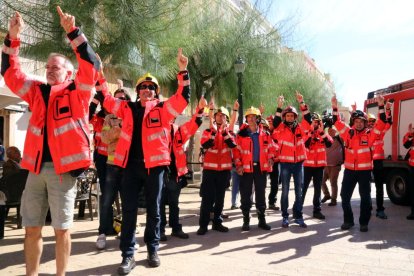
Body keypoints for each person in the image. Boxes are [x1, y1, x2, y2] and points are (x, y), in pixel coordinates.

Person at [1, 7, 100, 275]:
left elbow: (92, 66)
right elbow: (10, 73)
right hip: (33, 171)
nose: (48, 71)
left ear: (68, 73)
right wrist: (13, 37)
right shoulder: (36, 92)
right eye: (47, 68)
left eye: (54, 67)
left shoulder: (78, 93)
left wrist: (73, 32)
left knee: (61, 229)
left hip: (62, 173)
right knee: (31, 228)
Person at [100, 49, 189, 275]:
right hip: (130, 168)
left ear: (156, 92)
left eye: (151, 87)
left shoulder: (163, 109)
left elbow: (183, 98)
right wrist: (99, 74)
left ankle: (152, 249)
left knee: (155, 211)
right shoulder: (126, 107)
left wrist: (182, 70)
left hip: (155, 168)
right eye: (143, 87)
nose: (147, 90)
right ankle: (128, 255)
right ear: (137, 91)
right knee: (129, 211)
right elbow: (106, 99)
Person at [331, 94, 386, 232]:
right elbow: (336, 122)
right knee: (344, 197)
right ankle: (348, 221)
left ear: (365, 122)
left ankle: (363, 223)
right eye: (356, 121)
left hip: (364, 172)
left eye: (361, 121)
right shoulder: (347, 133)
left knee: (365, 199)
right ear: (353, 122)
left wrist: (381, 105)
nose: (359, 123)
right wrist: (334, 106)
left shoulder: (370, 134)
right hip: (349, 171)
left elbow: (382, 123)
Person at [160, 96, 207, 241]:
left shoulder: (177, 131)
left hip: (174, 174)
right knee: (159, 203)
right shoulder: (155, 129)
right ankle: (159, 230)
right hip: (158, 173)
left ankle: (175, 228)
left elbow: (192, 125)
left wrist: (200, 109)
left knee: (174, 203)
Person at [95, 82, 131, 250]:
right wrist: (117, 130)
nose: (119, 102)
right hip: (111, 165)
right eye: (116, 99)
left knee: (127, 201)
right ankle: (102, 233)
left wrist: (120, 130)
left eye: (122, 99)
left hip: (128, 165)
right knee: (107, 200)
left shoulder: (132, 115)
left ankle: (126, 233)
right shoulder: (108, 118)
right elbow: (104, 138)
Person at [233, 107, 276, 231]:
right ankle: (246, 221)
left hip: (260, 169)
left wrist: (271, 158)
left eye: (253, 117)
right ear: (246, 119)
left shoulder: (265, 134)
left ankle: (261, 220)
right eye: (248, 117)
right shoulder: (241, 135)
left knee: (261, 195)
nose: (251, 119)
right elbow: (236, 153)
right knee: (245, 195)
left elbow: (272, 148)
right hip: (245, 170)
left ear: (258, 119)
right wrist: (239, 165)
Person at [197, 103, 237, 235]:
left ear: (227, 118)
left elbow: (232, 145)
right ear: (214, 117)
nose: (220, 118)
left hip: (224, 171)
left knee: (220, 198)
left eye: (223, 116)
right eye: (218, 115)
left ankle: (217, 223)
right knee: (207, 199)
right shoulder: (207, 132)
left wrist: (224, 132)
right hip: (210, 170)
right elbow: (206, 145)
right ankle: (203, 225)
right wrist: (214, 132)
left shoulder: (230, 132)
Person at [273, 92, 311, 228]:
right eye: (287, 115)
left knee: (299, 191)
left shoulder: (301, 127)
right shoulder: (280, 128)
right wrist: (279, 107)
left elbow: (308, 119)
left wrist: (301, 102)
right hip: (285, 165)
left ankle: (299, 216)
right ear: (285, 117)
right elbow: (275, 123)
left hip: (298, 164)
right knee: (284, 191)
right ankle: (285, 217)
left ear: (295, 117)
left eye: (292, 115)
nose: (289, 117)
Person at [301, 112, 333, 220]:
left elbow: (329, 143)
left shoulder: (323, 134)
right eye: (313, 122)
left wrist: (321, 132)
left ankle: (317, 210)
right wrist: (310, 132)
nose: (315, 124)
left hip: (319, 167)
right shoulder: (306, 133)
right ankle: (298, 210)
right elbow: (305, 144)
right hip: (307, 166)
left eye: (317, 122)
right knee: (303, 188)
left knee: (318, 189)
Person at [368, 108, 392, 219]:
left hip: (377, 163)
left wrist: (388, 110)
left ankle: (380, 209)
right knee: (365, 187)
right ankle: (368, 207)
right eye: (369, 122)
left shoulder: (380, 132)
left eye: (373, 121)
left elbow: (388, 123)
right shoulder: (363, 134)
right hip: (366, 162)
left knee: (379, 187)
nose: (371, 124)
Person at [321, 127, 344, 206]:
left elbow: (345, 133)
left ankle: (334, 199)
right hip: (325, 165)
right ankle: (327, 195)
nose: (331, 132)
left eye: (332, 130)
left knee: (333, 183)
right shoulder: (325, 139)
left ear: (335, 131)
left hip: (335, 165)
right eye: (329, 130)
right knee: (321, 181)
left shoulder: (339, 139)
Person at [266, 115, 280, 211]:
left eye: (272, 122)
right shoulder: (263, 132)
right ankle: (260, 202)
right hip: (264, 161)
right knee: (260, 184)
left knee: (275, 184)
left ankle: (272, 202)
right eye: (269, 122)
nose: (270, 123)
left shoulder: (278, 133)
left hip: (276, 162)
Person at [403, 123, 414, 220]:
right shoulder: (409, 134)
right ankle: (413, 213)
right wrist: (410, 135)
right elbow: (406, 145)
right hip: (412, 167)